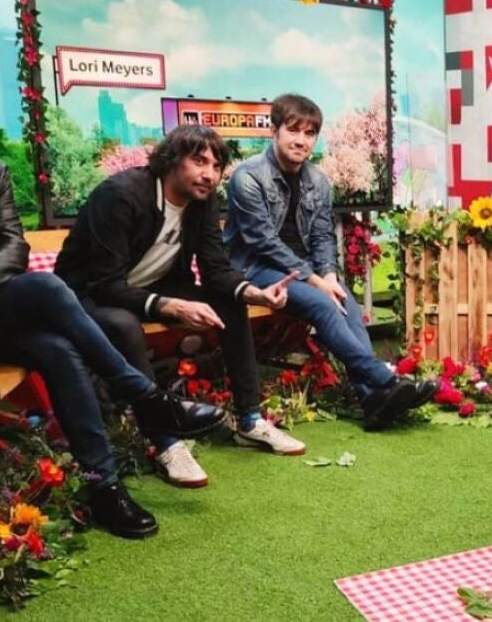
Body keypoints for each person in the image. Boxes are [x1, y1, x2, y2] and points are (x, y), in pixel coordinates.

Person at [0, 52, 225, 539]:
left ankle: (103, 487)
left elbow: (13, 246)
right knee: (48, 291)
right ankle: (146, 398)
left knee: (54, 345)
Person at [56, 125, 305, 489]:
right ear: (172, 160)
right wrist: (169, 306)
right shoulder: (121, 195)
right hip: (87, 294)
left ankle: (250, 420)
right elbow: (105, 283)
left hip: (151, 286)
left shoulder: (202, 201)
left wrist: (256, 293)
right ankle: (165, 442)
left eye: (216, 166)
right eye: (199, 161)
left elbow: (215, 268)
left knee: (230, 303)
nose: (209, 174)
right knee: (124, 325)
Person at [225, 94, 436, 430]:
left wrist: (329, 276)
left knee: (347, 306)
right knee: (323, 304)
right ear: (274, 131)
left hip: (305, 269)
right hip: (256, 268)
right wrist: (314, 280)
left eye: (309, 133)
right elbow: (262, 242)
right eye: (293, 130)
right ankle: (383, 377)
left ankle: (373, 401)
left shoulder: (318, 181)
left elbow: (323, 237)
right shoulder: (248, 177)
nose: (301, 140)